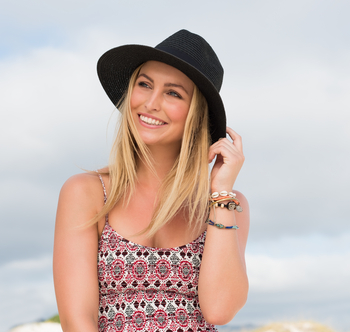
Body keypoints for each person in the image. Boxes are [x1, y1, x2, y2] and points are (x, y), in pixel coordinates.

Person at [53, 30, 249, 332]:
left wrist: (221, 192)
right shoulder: (88, 192)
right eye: (144, 84)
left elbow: (220, 310)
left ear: (196, 114)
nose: (151, 103)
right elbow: (78, 319)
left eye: (173, 93)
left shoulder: (227, 203)